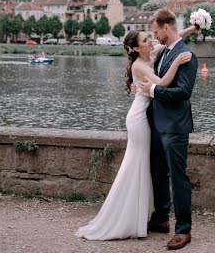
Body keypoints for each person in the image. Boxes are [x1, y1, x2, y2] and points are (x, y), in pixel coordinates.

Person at [75, 19, 198, 242]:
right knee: (139, 163)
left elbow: (172, 37)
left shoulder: (152, 52)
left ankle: (149, 216)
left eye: (151, 35)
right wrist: (178, 62)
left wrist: (194, 28)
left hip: (151, 118)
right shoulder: (140, 64)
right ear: (135, 48)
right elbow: (161, 82)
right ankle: (133, 215)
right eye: (145, 39)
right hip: (140, 118)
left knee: (148, 166)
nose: (150, 39)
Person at [140, 9, 198, 251]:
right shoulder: (165, 51)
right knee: (158, 171)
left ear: (166, 28)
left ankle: (183, 230)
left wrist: (152, 91)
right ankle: (162, 217)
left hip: (175, 126)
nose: (154, 37)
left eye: (155, 32)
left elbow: (183, 93)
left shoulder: (187, 55)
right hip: (157, 123)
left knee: (178, 177)